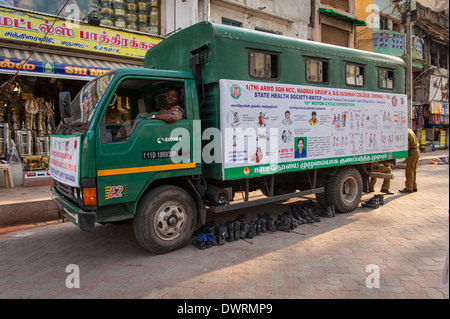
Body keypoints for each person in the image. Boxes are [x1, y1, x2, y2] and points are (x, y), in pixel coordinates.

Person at [399, 128, 420, 194]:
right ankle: (414, 186)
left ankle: (409, 187)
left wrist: (404, 155)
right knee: (413, 169)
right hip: (416, 150)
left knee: (409, 170)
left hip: (412, 152)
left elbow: (406, 147)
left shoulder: (405, 133)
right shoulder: (409, 130)